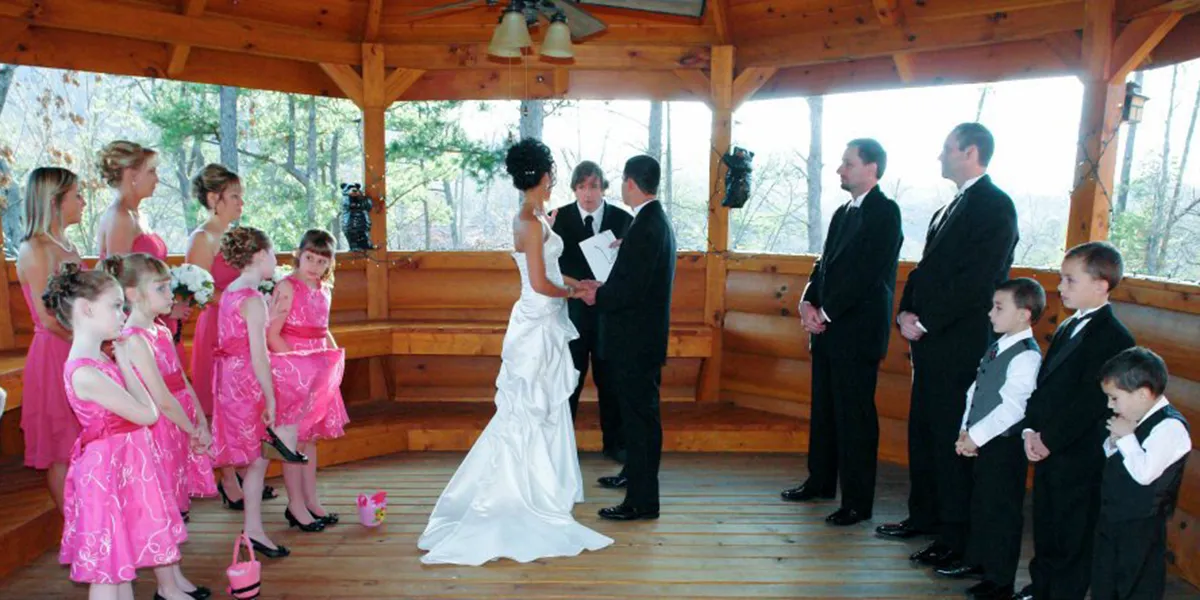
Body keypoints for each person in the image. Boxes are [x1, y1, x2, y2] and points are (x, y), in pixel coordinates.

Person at [418, 139, 613, 565]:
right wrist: (575, 294)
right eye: (552, 173)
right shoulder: (528, 220)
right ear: (544, 175)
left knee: (546, 406)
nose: (553, 179)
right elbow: (540, 284)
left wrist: (579, 284)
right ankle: (515, 490)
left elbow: (550, 270)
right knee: (527, 408)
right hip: (536, 321)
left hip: (546, 317)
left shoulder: (537, 216)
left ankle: (545, 484)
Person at [879, 123, 1019, 573]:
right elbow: (924, 271)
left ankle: (954, 535)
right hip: (929, 343)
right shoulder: (947, 208)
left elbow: (980, 278)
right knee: (923, 432)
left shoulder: (995, 206)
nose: (940, 156)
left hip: (961, 342)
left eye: (947, 149)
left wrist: (929, 320)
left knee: (951, 437)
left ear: (971, 152)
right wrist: (905, 312)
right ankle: (923, 515)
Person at [48, 265, 197, 600]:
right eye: (115, 306)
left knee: (121, 565)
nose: (123, 314)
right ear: (86, 309)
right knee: (107, 571)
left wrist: (121, 363)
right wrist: (127, 364)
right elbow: (147, 413)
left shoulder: (99, 360)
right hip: (104, 474)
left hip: (120, 466)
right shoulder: (85, 372)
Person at [780, 138, 902, 527]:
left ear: (872, 168)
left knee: (855, 418)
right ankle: (820, 481)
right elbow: (823, 265)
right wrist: (806, 302)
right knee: (825, 410)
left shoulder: (885, 212)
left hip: (858, 332)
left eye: (848, 163)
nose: (840, 169)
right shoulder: (842, 213)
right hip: (828, 330)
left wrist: (826, 312)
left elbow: (868, 274)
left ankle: (856, 501)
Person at [1016, 241, 1136, 600]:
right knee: (1046, 523)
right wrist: (1031, 429)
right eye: (1061, 278)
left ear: (1100, 285)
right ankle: (1042, 587)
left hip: (1079, 453)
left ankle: (1063, 593)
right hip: (1047, 445)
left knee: (1073, 531)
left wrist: (1049, 439)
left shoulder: (1114, 337)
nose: (1060, 287)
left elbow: (1090, 402)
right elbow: (1045, 384)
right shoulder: (1068, 325)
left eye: (1070, 280)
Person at [581, 155, 677, 522]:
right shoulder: (652, 221)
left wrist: (598, 295)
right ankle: (633, 478)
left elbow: (631, 291)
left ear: (631, 183)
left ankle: (642, 501)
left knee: (640, 420)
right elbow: (637, 277)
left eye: (623, 181)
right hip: (642, 338)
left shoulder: (647, 226)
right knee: (638, 416)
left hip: (636, 341)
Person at [938, 278, 1045, 600]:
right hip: (981, 439)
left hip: (1003, 444)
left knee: (1001, 510)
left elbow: (1013, 407)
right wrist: (965, 429)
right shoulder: (1000, 345)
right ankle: (978, 562)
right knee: (981, 503)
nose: (990, 313)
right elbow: (976, 390)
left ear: (1024, 315)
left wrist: (977, 436)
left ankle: (1000, 580)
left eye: (999, 308)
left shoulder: (1026, 356)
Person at [210, 227, 308, 559]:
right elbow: (259, 355)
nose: (276, 260)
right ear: (260, 255)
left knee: (255, 457)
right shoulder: (252, 300)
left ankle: (253, 529)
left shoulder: (232, 291)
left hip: (228, 378)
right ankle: (253, 530)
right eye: (273, 254)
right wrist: (271, 397)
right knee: (257, 457)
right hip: (246, 381)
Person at [185, 164, 274, 508]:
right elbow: (200, 291)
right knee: (218, 399)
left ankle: (245, 472)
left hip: (243, 323)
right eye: (234, 196)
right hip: (218, 326)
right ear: (213, 199)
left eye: (241, 196)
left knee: (244, 399)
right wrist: (239, 301)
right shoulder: (202, 239)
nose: (241, 203)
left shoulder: (235, 237)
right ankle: (228, 479)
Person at [105, 253, 218, 523]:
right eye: (161, 288)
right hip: (161, 428)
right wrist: (192, 431)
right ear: (132, 294)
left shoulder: (163, 331)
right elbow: (162, 398)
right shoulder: (134, 340)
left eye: (169, 286)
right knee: (164, 502)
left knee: (179, 498)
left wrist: (201, 422)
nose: (171, 295)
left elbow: (182, 380)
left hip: (181, 421)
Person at [1092, 347, 1191, 600]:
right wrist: (1115, 441)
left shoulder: (1170, 427)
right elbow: (1118, 460)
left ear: (1143, 394)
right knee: (1105, 583)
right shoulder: (1133, 419)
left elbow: (1145, 473)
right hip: (1113, 518)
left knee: (1136, 588)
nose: (1109, 405)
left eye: (1114, 398)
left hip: (1141, 527)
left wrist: (1127, 438)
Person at [551, 160, 633, 462]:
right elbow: (549, 266)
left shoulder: (624, 220)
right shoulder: (558, 219)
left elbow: (634, 270)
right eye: (582, 186)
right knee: (568, 379)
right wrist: (578, 290)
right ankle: (562, 447)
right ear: (574, 188)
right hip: (570, 312)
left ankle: (615, 444)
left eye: (594, 187)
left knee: (610, 380)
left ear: (604, 189)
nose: (588, 193)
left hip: (610, 314)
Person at [15, 167, 85, 511]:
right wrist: (88, 344)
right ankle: (72, 527)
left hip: (77, 346)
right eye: (77, 195)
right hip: (55, 352)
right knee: (62, 446)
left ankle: (92, 518)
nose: (83, 202)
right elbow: (47, 317)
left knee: (84, 438)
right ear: (55, 202)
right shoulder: (36, 248)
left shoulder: (67, 245)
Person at [268, 229, 348, 529]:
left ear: (330, 264)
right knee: (293, 440)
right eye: (310, 258)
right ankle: (295, 504)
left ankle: (311, 500)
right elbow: (272, 334)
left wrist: (333, 360)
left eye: (322, 261)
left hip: (317, 369)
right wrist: (298, 369)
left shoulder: (324, 289)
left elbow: (322, 330)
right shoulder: (287, 287)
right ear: (298, 255)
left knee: (310, 439)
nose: (315, 265)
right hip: (293, 369)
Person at [94, 141, 190, 350]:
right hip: (137, 324)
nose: (157, 179)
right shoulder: (120, 217)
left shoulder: (138, 215)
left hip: (155, 315)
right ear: (132, 175)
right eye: (152, 171)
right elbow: (117, 281)